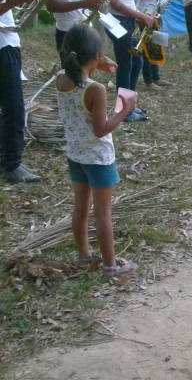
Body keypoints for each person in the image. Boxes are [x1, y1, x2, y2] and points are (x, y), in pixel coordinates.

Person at [57, 25, 136, 277]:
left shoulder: (62, 78)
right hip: (98, 159)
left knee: (81, 207)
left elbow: (78, 73)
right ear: (95, 55)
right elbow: (101, 130)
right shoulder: (96, 90)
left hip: (75, 155)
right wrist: (125, 110)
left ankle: (83, 255)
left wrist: (93, 64)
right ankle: (111, 266)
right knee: (103, 213)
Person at [87, 0, 154, 122]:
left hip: (128, 21)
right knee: (126, 63)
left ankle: (129, 105)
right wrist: (140, 15)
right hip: (118, 21)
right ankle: (123, 110)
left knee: (136, 61)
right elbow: (113, 2)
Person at [0, 0, 42, 183]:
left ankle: (7, 157)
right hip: (2, 47)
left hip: (8, 43)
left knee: (9, 107)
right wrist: (16, 1)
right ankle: (13, 163)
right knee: (15, 108)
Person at [128, 0, 187, 91]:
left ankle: (156, 77)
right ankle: (149, 81)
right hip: (144, 13)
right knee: (148, 47)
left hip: (155, 12)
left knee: (155, 46)